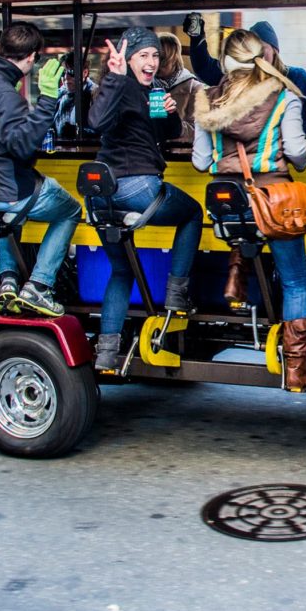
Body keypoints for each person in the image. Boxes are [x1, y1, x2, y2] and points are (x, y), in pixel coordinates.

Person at [192, 29, 306, 391]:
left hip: (228, 208)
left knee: (247, 223)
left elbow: (202, 162)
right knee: (296, 281)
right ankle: (295, 371)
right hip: (272, 203)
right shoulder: (283, 98)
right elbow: (296, 154)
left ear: (224, 62)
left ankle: (238, 269)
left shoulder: (206, 101)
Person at [87, 26, 204, 372]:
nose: (151, 62)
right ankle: (176, 294)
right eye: (143, 55)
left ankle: (107, 353)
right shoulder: (120, 85)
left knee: (121, 271)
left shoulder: (153, 88)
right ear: (127, 57)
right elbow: (96, 122)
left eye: (155, 55)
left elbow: (163, 133)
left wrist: (169, 112)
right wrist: (115, 76)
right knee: (193, 213)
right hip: (135, 187)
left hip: (102, 197)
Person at [0, 22, 82, 317]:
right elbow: (23, 146)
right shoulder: (5, 94)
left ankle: (9, 281)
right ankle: (39, 285)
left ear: (1, 49)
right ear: (31, 58)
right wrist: (48, 100)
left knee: (8, 214)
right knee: (70, 210)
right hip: (10, 191)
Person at [185, 12, 306, 138]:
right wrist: (197, 38)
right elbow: (204, 67)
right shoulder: (237, 76)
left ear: (274, 50)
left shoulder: (296, 77)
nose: (257, 54)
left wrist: (284, 138)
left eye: (262, 48)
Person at [154, 32, 202, 143]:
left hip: (180, 156)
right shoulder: (145, 85)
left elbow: (198, 131)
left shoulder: (194, 88)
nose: (157, 66)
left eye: (163, 60)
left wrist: (174, 127)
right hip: (149, 154)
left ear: (173, 58)